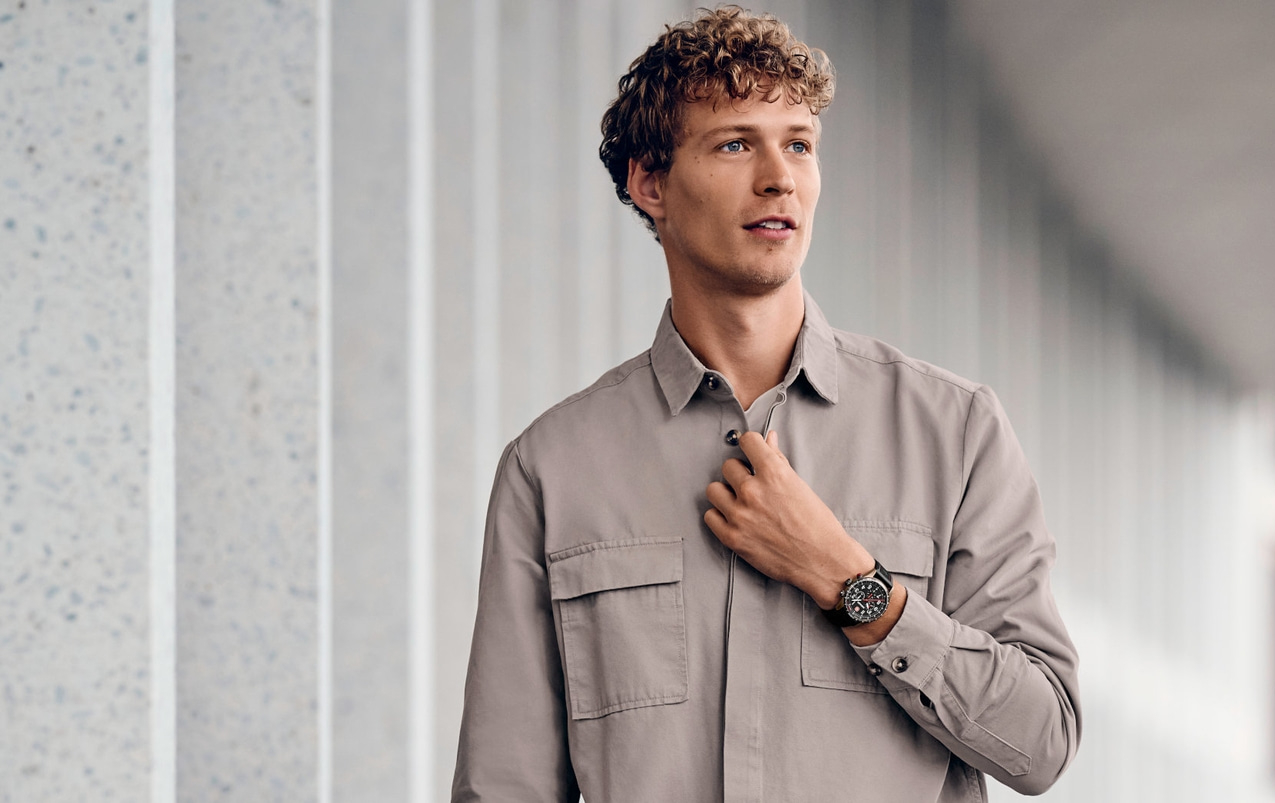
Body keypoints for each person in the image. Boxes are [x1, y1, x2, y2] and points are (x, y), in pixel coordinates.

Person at [450, 7, 1080, 801]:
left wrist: (851, 581)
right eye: (736, 144)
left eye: (799, 145)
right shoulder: (553, 468)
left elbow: (1041, 742)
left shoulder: (955, 433)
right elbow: (504, 785)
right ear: (650, 184)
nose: (780, 177)